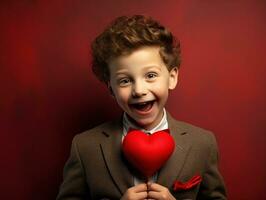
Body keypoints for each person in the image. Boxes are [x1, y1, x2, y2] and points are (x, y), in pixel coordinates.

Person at [57, 15, 227, 200]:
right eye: (125, 80)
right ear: (111, 89)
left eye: (151, 75)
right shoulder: (85, 147)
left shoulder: (202, 144)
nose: (139, 90)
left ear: (172, 78)